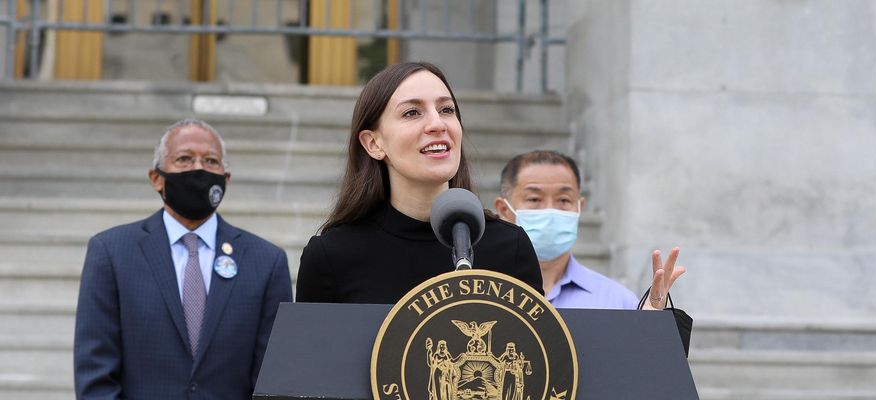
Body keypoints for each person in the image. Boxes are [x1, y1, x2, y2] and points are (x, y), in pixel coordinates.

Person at [74, 119, 293, 399]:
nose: (198, 169)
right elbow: (95, 374)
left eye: (211, 161)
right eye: (184, 159)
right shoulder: (111, 253)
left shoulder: (266, 262)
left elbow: (273, 380)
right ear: (156, 178)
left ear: (226, 179)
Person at [295, 62, 543, 304]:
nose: (437, 124)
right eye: (412, 112)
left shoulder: (510, 246)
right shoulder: (332, 257)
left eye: (446, 110)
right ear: (373, 143)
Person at [494, 150, 686, 310]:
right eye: (534, 199)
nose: (550, 210)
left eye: (563, 200)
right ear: (503, 210)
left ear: (580, 207)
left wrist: (649, 327)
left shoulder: (619, 303)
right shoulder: (483, 292)